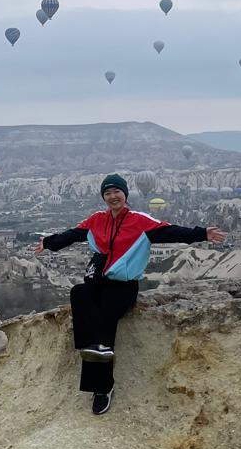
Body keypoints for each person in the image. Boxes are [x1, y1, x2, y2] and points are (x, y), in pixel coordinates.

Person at [37, 173, 225, 415]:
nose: (113, 196)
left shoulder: (139, 221)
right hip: (98, 282)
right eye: (107, 193)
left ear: (125, 194)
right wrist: (49, 242)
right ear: (103, 197)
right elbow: (73, 235)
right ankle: (90, 345)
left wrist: (201, 233)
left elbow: (170, 232)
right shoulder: (97, 220)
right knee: (79, 293)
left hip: (123, 285)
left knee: (105, 320)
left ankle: (103, 388)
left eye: (117, 192)